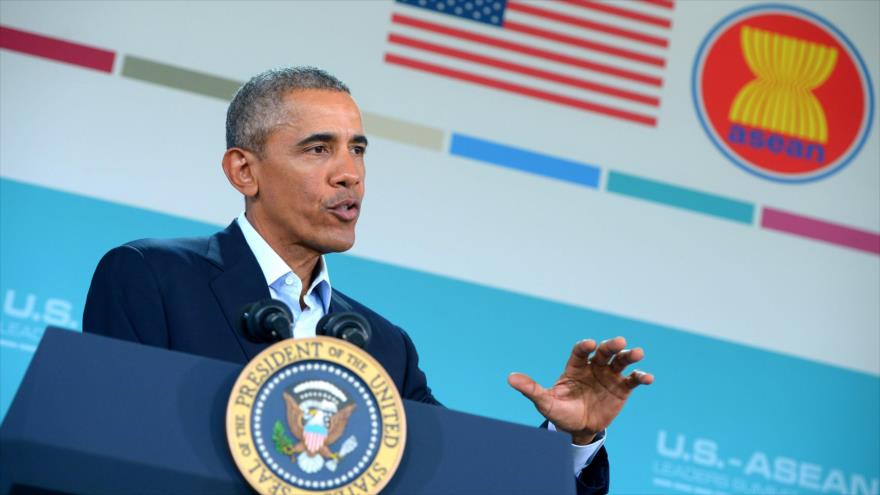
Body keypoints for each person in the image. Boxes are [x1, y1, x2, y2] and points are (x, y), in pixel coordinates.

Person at [84, 67, 653, 494]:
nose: (349, 172)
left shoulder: (384, 347)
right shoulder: (151, 277)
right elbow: (100, 449)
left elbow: (458, 481)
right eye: (318, 149)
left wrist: (572, 443)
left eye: (357, 149)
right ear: (244, 170)